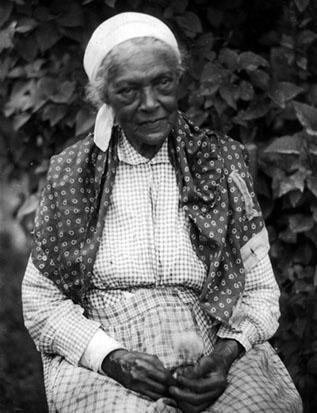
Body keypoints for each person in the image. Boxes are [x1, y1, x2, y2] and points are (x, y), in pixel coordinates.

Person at [22, 12, 302, 413]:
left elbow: (259, 289)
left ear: (178, 81)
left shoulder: (218, 162)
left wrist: (223, 358)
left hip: (210, 341)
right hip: (108, 347)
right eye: (128, 91)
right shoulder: (72, 175)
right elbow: (41, 300)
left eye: (162, 83)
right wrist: (112, 358)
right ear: (105, 96)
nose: (150, 104)